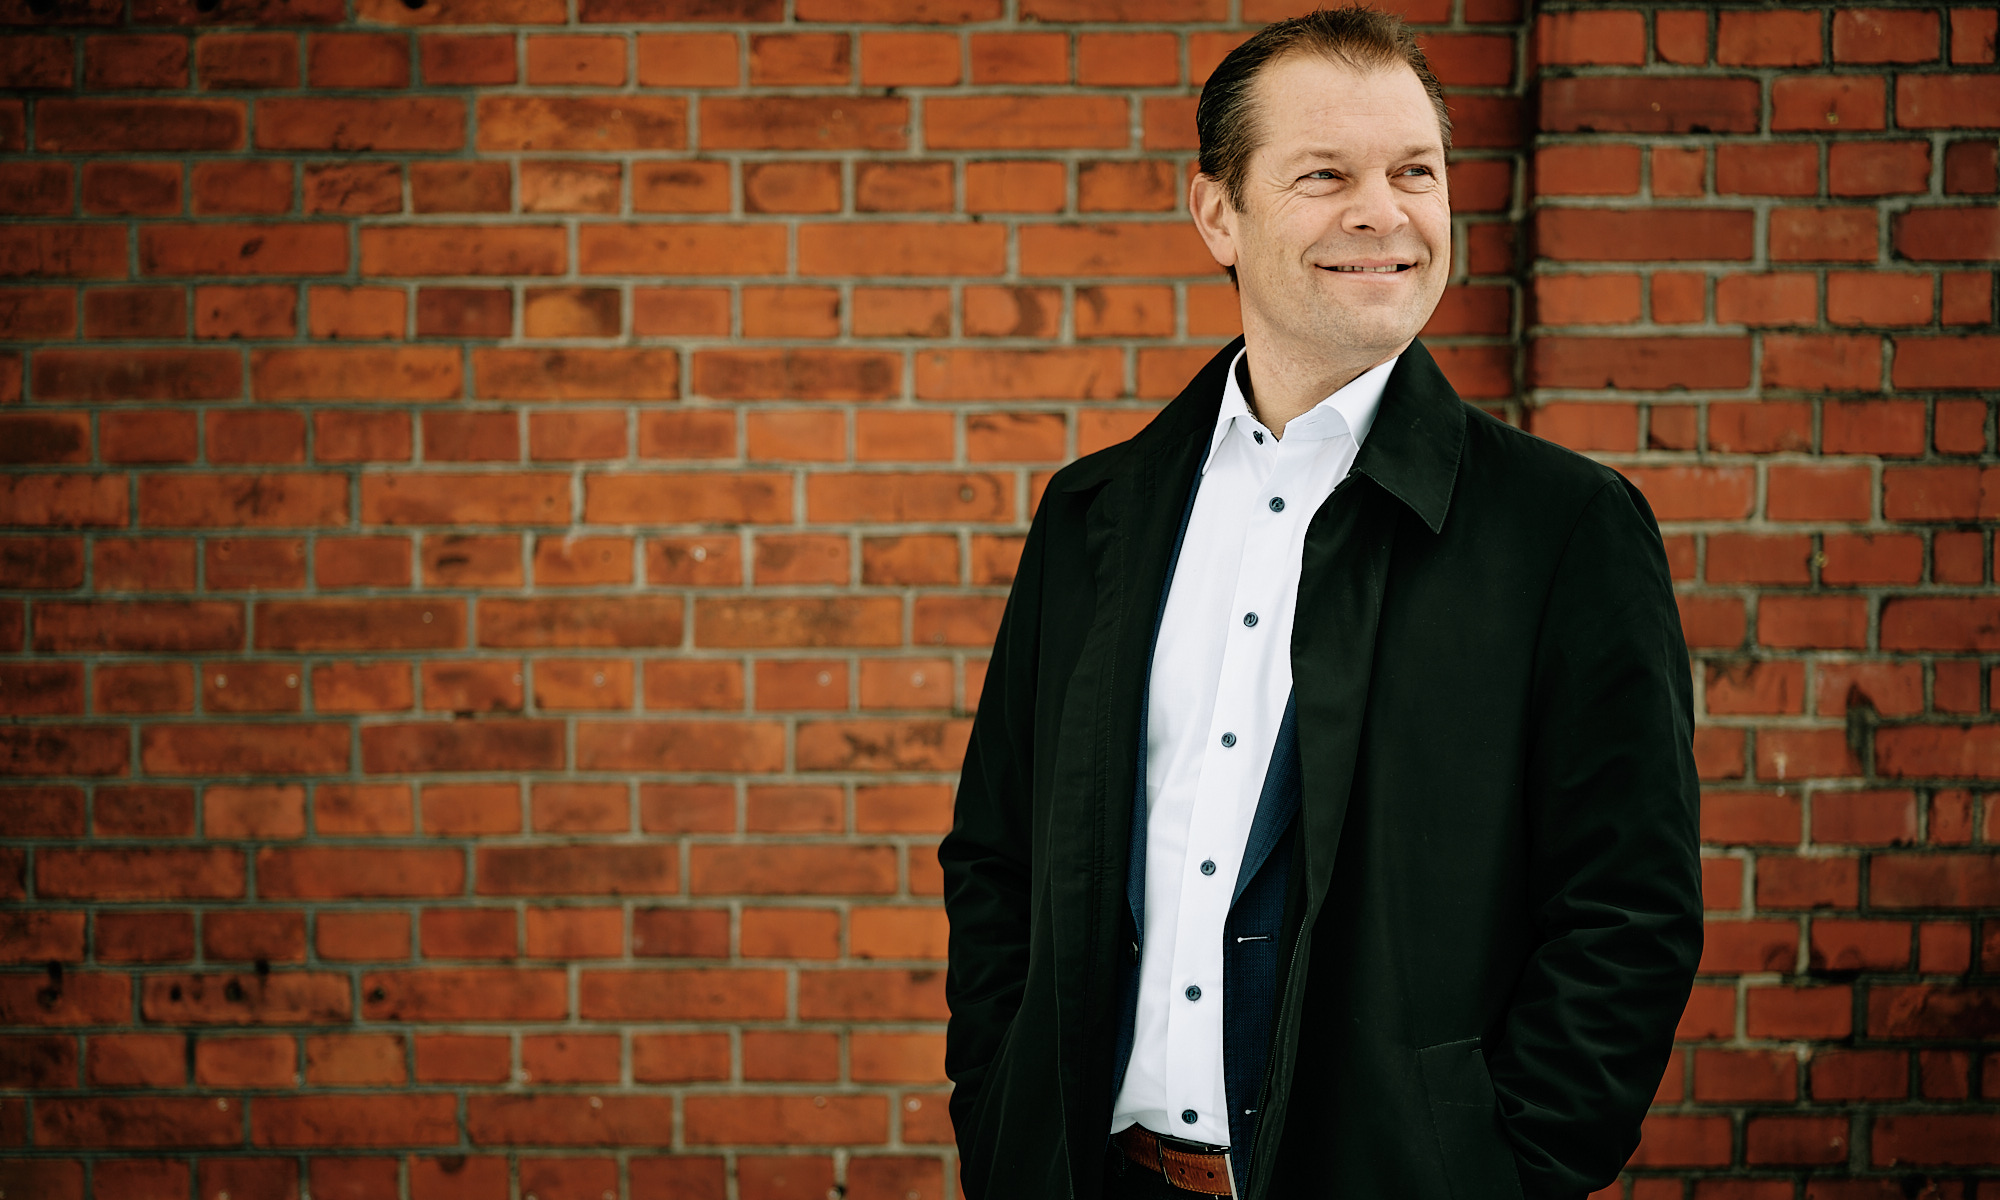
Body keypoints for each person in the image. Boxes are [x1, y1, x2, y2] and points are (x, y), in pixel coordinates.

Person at [938, 7, 1704, 1199]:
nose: (1382, 213)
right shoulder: (1095, 515)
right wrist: (1001, 1116)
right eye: (1323, 175)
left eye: (1413, 171)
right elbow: (994, 857)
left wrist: (1503, 1172)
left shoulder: (1565, 532)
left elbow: (1625, 911)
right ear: (1216, 216)